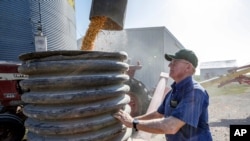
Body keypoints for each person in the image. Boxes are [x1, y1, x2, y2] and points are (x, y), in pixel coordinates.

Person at [113, 49, 213, 141]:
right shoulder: (173, 91)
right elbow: (158, 114)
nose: (170, 65)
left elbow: (171, 127)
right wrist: (133, 119)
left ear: (188, 67)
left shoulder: (195, 92)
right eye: (171, 62)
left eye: (175, 62)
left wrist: (133, 123)